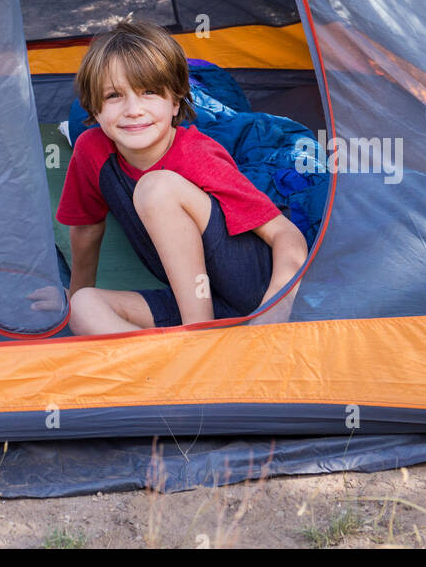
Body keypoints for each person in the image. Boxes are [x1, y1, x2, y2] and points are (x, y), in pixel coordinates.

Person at [56, 20, 308, 334]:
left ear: (175, 102)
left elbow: (287, 236)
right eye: (113, 96)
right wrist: (76, 290)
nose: (133, 109)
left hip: (251, 290)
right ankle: (177, 366)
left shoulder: (196, 154)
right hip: (197, 301)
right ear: (94, 107)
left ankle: (196, 342)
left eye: (149, 92)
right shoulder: (92, 150)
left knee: (157, 188)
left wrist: (276, 307)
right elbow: (86, 229)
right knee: (83, 307)